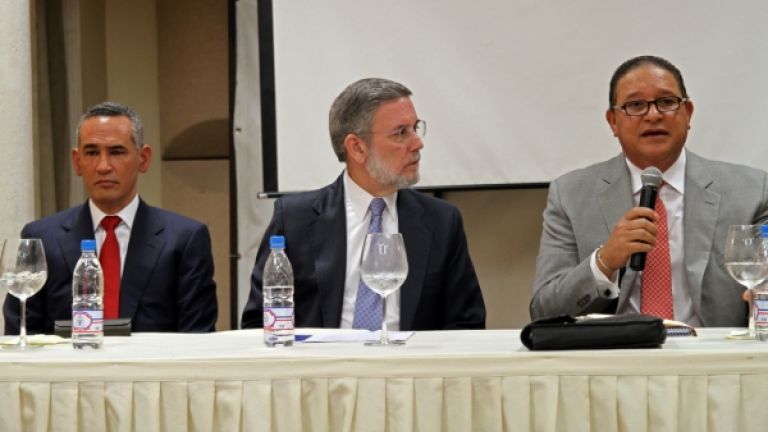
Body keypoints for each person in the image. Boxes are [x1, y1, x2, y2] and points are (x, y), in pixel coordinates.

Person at [530, 55, 768, 327]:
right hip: (615, 357)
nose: (653, 115)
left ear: (687, 113)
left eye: (666, 102)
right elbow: (544, 310)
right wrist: (604, 262)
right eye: (635, 105)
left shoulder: (751, 191)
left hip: (711, 357)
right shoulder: (570, 195)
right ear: (613, 122)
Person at [241, 78, 485, 330]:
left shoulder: (441, 221)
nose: (417, 143)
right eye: (401, 132)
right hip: (324, 366)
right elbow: (258, 323)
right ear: (356, 148)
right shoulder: (295, 219)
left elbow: (467, 324)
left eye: (416, 128)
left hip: (408, 367)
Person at [3, 101, 218, 334]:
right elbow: (20, 333)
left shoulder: (184, 239)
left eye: (116, 152)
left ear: (143, 159)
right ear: (77, 162)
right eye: (92, 152)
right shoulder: (42, 237)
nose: (103, 166)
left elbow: (198, 337)